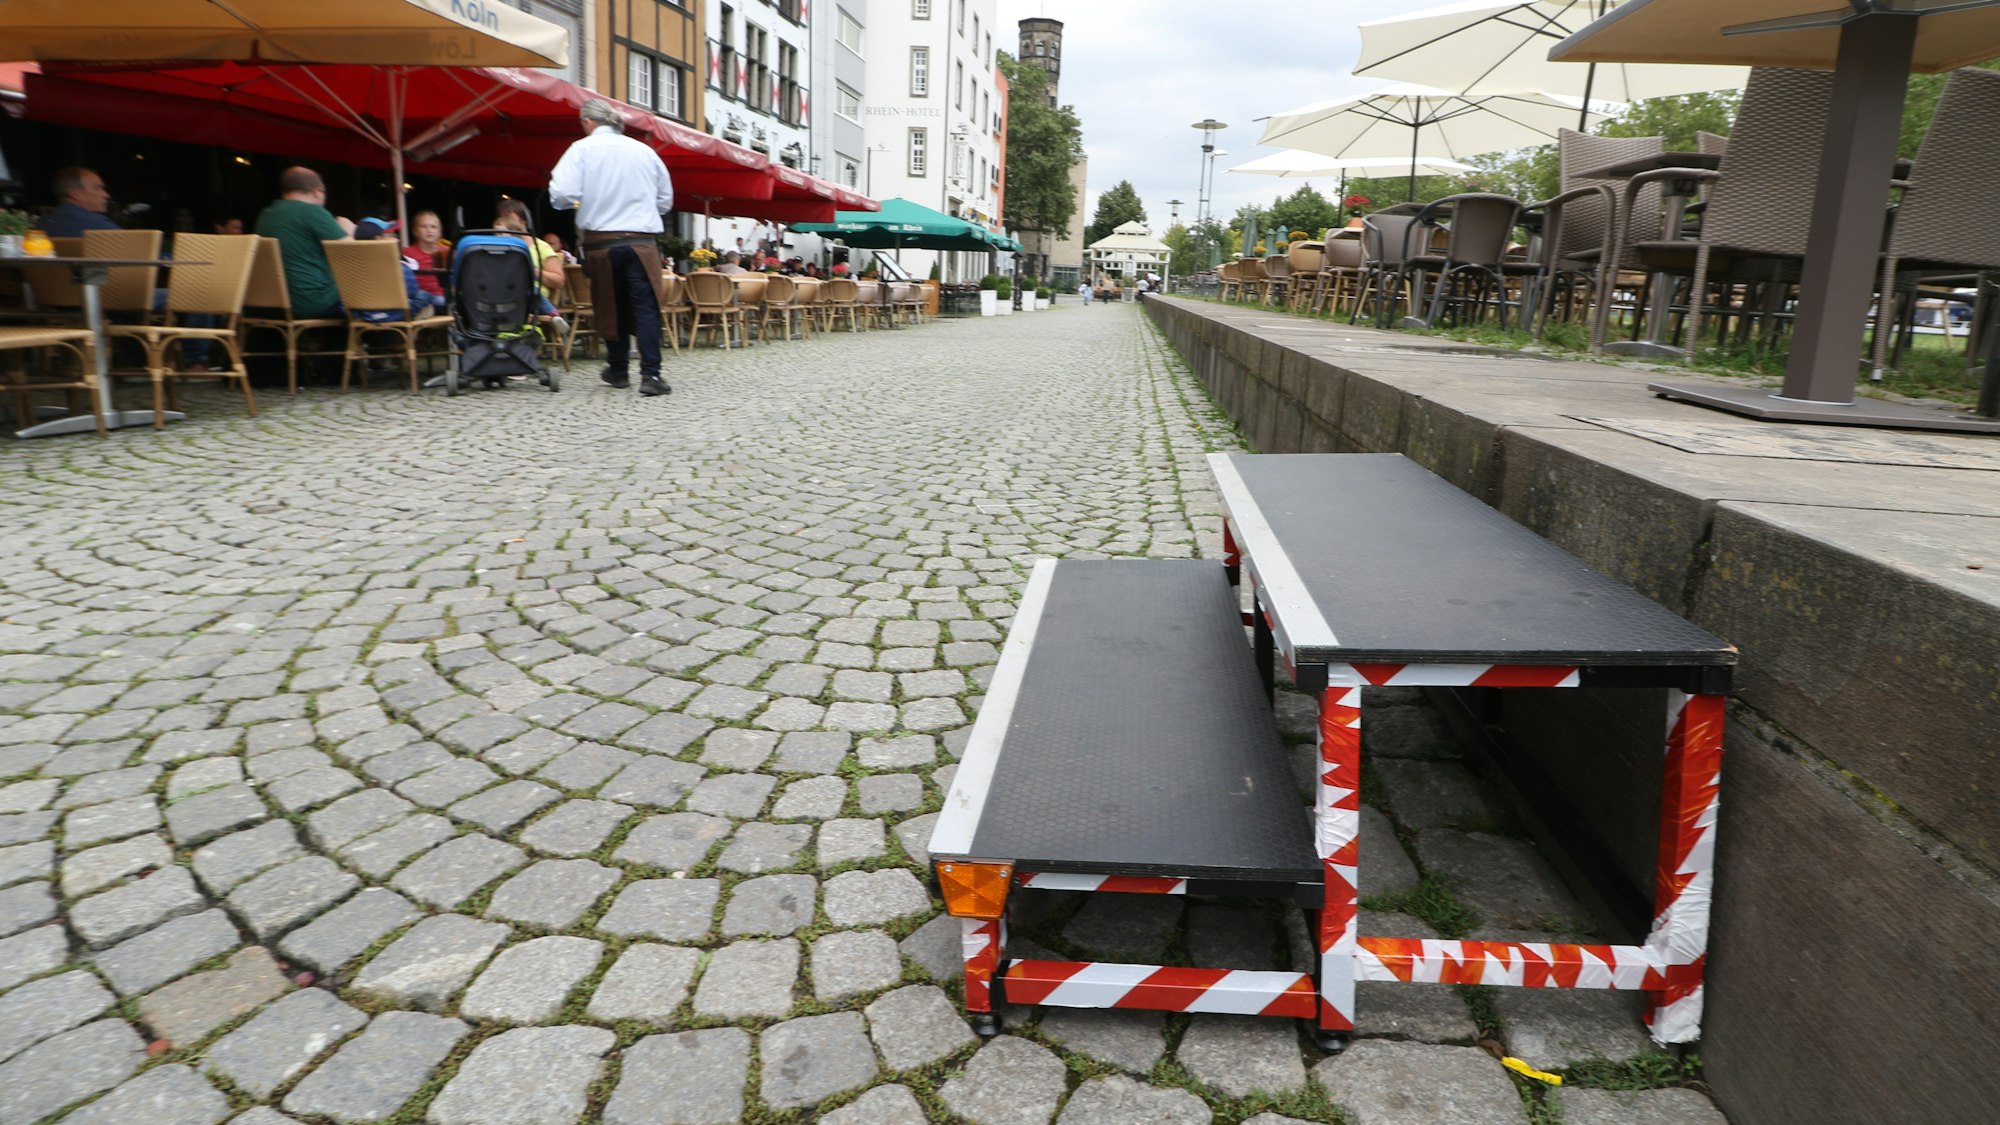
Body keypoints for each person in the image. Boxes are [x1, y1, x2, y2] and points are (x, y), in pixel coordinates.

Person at [549, 97, 675, 397]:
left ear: (588, 123)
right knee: (646, 307)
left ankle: (618, 370)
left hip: (601, 242)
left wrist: (582, 200)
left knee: (609, 304)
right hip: (641, 241)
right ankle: (651, 375)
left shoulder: (581, 149)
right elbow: (665, 201)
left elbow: (561, 194)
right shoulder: (646, 152)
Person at [253, 166, 354, 319]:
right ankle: (374, 341)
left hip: (270, 305)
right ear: (317, 191)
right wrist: (349, 231)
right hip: (310, 302)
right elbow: (355, 254)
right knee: (371, 287)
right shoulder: (312, 211)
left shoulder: (267, 214)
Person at [42, 167, 121, 237]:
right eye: (97, 188)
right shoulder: (99, 225)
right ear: (76, 194)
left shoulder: (44, 225)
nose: (106, 195)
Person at [407, 210, 451, 307]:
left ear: (440, 232)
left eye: (433, 227)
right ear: (415, 231)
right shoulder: (408, 253)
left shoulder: (447, 251)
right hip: (419, 296)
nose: (429, 230)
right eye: (423, 226)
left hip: (442, 296)